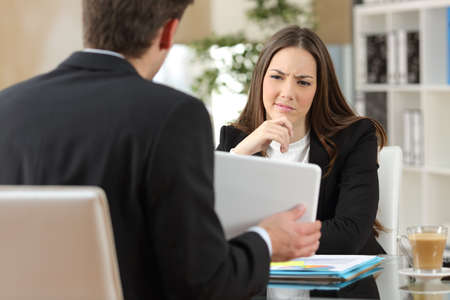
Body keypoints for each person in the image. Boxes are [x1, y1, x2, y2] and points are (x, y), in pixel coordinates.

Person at [0, 1, 322, 299]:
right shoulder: (173, 116)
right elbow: (201, 282)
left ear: (89, 22)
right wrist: (265, 241)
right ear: (168, 32)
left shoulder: (8, 108)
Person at [217, 25, 387, 255]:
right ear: (260, 79)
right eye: (277, 77)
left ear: (319, 89)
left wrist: (264, 239)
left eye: (303, 82)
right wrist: (239, 154)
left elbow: (350, 233)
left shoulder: (355, 138)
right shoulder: (234, 141)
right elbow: (205, 228)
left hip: (334, 289)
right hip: (256, 288)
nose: (287, 92)